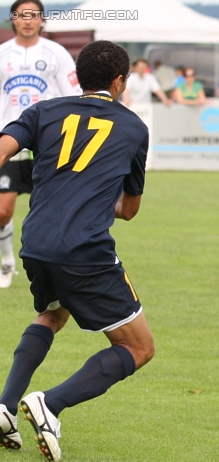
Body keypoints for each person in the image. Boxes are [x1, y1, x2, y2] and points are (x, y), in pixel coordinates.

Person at [0, 40, 154, 461]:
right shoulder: (134, 127)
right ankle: (50, 403)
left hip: (37, 242)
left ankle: (4, 406)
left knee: (53, 312)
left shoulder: (44, 112)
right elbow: (129, 209)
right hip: (84, 249)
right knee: (139, 348)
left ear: (78, 77)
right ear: (120, 81)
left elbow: (4, 147)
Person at [0, 0, 82, 289]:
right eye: (22, 16)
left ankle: (57, 267)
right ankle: (7, 259)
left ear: (41, 20)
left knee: (51, 213)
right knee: (2, 211)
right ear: (13, 19)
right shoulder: (2, 55)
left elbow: (73, 94)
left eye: (33, 16)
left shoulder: (56, 53)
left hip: (48, 145)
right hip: (10, 140)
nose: (27, 21)